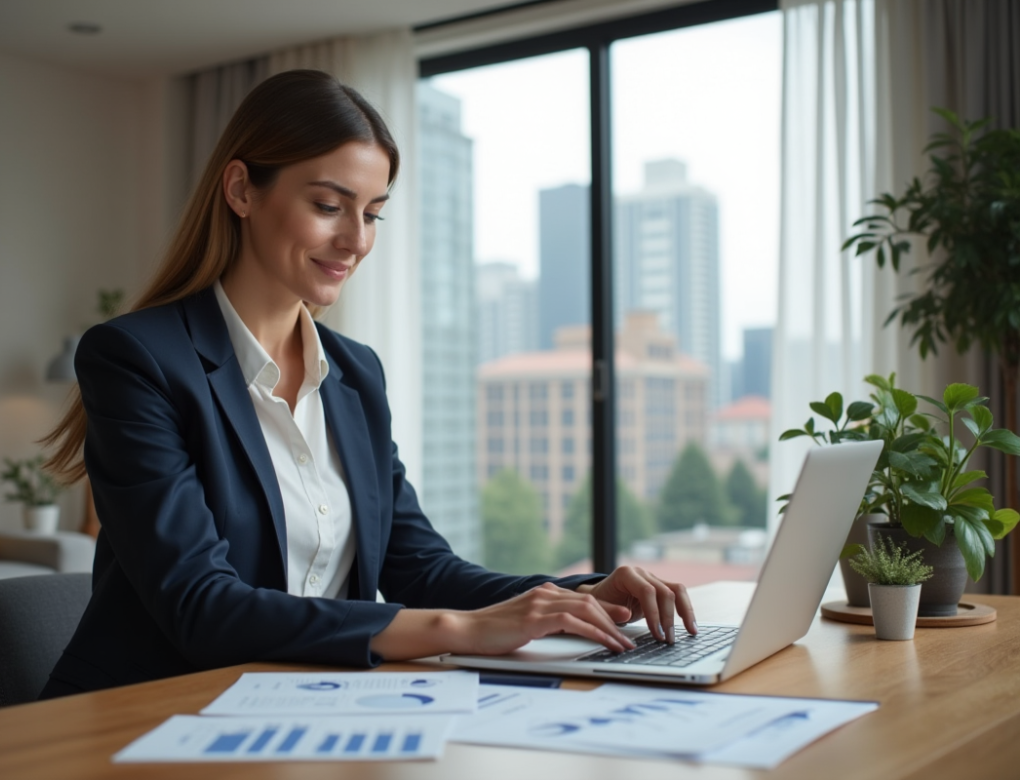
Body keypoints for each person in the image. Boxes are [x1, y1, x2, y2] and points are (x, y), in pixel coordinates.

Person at [38, 69, 697, 699]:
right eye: (329, 205)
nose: (355, 240)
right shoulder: (136, 359)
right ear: (241, 190)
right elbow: (202, 608)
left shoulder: (355, 374)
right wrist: (457, 631)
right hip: (148, 712)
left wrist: (582, 594)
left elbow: (420, 569)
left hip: (309, 704)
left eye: (374, 213)